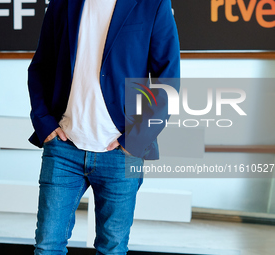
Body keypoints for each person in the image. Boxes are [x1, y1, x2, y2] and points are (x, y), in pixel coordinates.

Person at [27, 0, 180, 254]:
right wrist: (45, 123)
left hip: (122, 151)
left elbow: (168, 79)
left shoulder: (152, 4)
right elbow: (41, 66)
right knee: (47, 246)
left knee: (112, 249)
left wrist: (136, 139)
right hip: (64, 148)